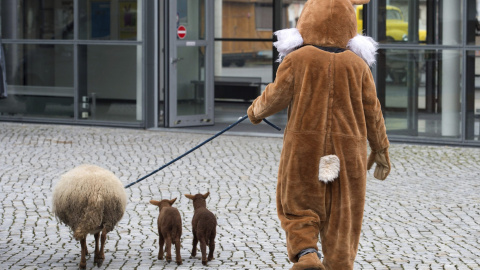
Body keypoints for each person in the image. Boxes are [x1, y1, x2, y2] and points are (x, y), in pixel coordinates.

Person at [247, 0, 391, 269]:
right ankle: (339, 263)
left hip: (305, 149)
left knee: (298, 205)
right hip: (348, 155)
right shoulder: (358, 66)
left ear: (307, 20)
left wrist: (254, 112)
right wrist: (381, 149)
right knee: (343, 215)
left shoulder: (298, 59)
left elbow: (274, 97)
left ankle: (306, 254)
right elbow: (373, 111)